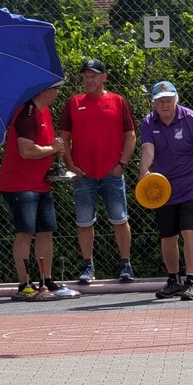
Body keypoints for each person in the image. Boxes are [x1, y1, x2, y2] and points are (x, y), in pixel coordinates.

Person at [59, 58, 137, 284]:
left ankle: (126, 265)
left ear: (104, 77)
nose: (89, 80)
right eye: (85, 76)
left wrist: (121, 165)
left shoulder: (118, 101)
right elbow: (63, 138)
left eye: (93, 76)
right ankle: (88, 266)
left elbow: (130, 136)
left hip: (112, 173)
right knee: (84, 222)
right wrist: (70, 165)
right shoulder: (73, 102)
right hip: (83, 175)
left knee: (120, 219)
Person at [138, 81, 193, 302]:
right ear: (154, 103)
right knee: (167, 236)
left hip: (192, 186)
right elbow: (148, 149)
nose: (165, 104)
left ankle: (190, 281)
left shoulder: (191, 119)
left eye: (168, 100)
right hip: (162, 188)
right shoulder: (148, 122)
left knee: (189, 231)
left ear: (176, 100)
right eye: (160, 101)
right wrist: (144, 171)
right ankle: (173, 281)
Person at [0, 82, 66, 301]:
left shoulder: (45, 112)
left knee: (46, 231)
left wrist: (54, 151)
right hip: (21, 183)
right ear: (45, 91)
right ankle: (24, 283)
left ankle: (46, 279)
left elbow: (44, 146)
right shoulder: (27, 114)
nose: (57, 93)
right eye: (56, 89)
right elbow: (26, 151)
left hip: (41, 182)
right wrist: (53, 148)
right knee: (25, 233)